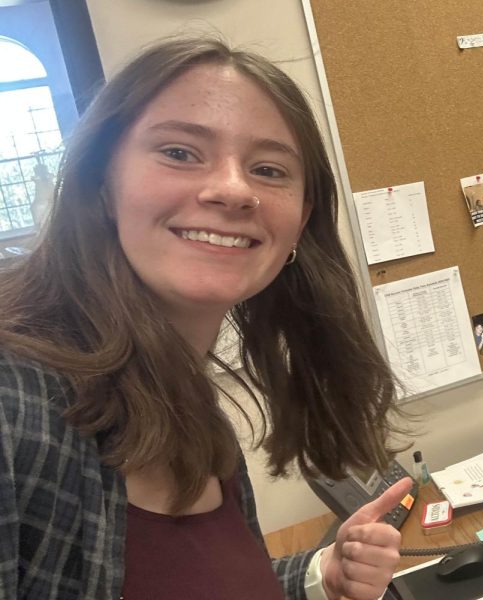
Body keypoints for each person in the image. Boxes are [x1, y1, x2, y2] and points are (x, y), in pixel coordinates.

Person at [0, 37, 412, 600]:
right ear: (101, 185)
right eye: (179, 152)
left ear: (300, 222)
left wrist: (320, 578)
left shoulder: (187, 402)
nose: (233, 189)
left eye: (268, 169)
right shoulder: (13, 406)